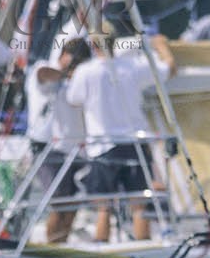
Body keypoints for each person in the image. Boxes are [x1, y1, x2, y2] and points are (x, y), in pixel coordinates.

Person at [64, 25, 175, 242]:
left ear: (93, 44)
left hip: (102, 145)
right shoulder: (133, 67)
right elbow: (169, 70)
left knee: (104, 207)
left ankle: (101, 250)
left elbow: (73, 99)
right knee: (139, 204)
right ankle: (143, 247)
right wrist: (162, 46)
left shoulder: (85, 72)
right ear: (115, 42)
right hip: (135, 143)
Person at [24, 38, 89, 243]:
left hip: (76, 149)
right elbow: (43, 75)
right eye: (72, 61)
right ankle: (53, 245)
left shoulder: (81, 80)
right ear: (61, 57)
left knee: (72, 205)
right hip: (48, 148)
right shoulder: (44, 69)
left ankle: (62, 244)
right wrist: (67, 72)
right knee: (58, 202)